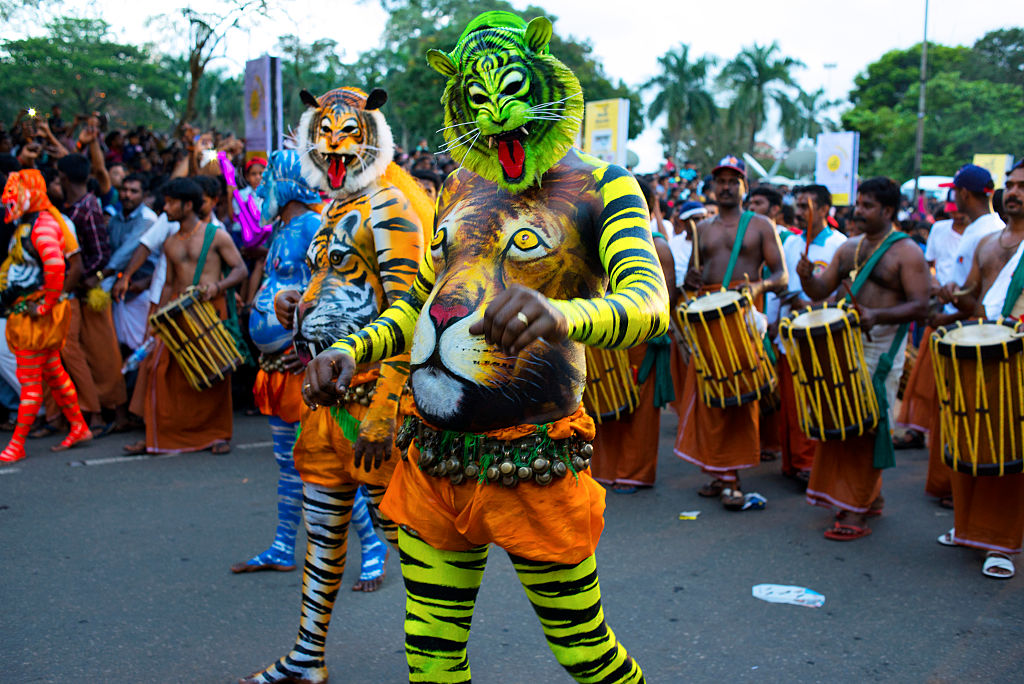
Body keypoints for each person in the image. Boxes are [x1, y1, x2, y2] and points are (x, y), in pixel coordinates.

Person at [300, 12, 663, 683]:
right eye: (474, 96)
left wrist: (559, 313)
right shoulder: (458, 187)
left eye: (511, 87)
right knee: (431, 656)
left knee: (585, 653)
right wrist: (356, 349)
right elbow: (418, 303)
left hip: (535, 458)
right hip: (435, 454)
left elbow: (647, 305)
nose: (494, 112)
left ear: (548, 81)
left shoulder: (605, 186)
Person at [240, 85, 432, 684]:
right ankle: (307, 656)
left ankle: (436, 667)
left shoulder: (391, 208)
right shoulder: (332, 213)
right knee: (323, 535)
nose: (334, 150)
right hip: (326, 404)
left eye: (348, 137)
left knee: (414, 552)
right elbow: (342, 290)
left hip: (376, 406)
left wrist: (386, 406)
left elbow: (411, 309)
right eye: (324, 137)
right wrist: (301, 305)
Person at [798, 177, 929, 540]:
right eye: (859, 203)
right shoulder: (850, 248)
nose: (859, 210)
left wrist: (877, 316)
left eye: (868, 205)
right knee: (845, 419)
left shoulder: (907, 252)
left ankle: (855, 511)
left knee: (868, 425)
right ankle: (867, 497)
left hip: (882, 348)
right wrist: (807, 278)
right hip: (848, 344)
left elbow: (921, 305)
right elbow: (821, 290)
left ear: (888, 211)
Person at [677, 155, 787, 509]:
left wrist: (758, 287)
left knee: (738, 398)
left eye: (732, 180)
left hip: (740, 318)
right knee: (710, 398)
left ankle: (731, 478)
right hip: (708, 322)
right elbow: (694, 277)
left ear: (745, 186)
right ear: (713, 187)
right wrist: (689, 281)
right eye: (720, 181)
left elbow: (781, 276)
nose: (725, 187)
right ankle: (719, 472)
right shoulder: (703, 229)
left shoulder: (761, 226)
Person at [932, 160, 1024, 578]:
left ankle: (1001, 543)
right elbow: (974, 301)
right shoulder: (990, 243)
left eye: (1023, 186)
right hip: (984, 350)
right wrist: (955, 296)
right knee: (974, 439)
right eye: (1012, 184)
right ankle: (969, 527)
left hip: (1016, 358)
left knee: (1008, 448)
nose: (1015, 192)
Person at [123, 178, 247, 455]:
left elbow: (240, 269)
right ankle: (158, 436)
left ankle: (217, 436)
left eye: (170, 202)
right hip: (178, 312)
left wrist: (216, 286)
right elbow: (168, 282)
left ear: (187, 205)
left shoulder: (217, 235)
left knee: (213, 374)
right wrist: (157, 318)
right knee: (157, 370)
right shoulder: (169, 241)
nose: (165, 207)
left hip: (209, 311)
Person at [591, 178, 678, 493]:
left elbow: (663, 299)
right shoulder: (599, 238)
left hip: (642, 336)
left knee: (639, 408)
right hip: (607, 332)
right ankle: (603, 469)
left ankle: (634, 472)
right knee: (604, 396)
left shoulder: (660, 247)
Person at [0, 170, 90, 462]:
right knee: (53, 373)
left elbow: (56, 268)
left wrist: (45, 305)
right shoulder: (30, 222)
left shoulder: (42, 226)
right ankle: (78, 426)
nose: (9, 198)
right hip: (30, 311)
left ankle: (17, 444)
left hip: (35, 316)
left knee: (29, 380)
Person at [776, 184, 846, 484]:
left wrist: (816, 302)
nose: (801, 212)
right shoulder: (791, 243)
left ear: (825, 210)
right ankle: (795, 461)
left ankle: (813, 464)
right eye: (799, 206)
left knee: (816, 399)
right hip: (789, 331)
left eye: (807, 206)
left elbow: (845, 287)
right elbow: (780, 280)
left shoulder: (839, 244)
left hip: (821, 334)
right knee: (791, 402)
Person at [56, 153, 128, 434]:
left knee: (105, 355)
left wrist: (86, 279)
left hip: (92, 292)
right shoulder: (73, 207)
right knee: (86, 354)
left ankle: (115, 414)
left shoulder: (88, 208)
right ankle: (96, 412)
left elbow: (101, 255)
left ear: (63, 177)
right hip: (80, 292)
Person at [103, 173, 157, 352]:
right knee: (120, 341)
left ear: (144, 194)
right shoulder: (117, 218)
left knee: (140, 344)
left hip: (141, 289)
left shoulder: (147, 219)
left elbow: (126, 252)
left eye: (134, 191)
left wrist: (101, 275)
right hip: (121, 288)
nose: (127, 195)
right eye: (124, 190)